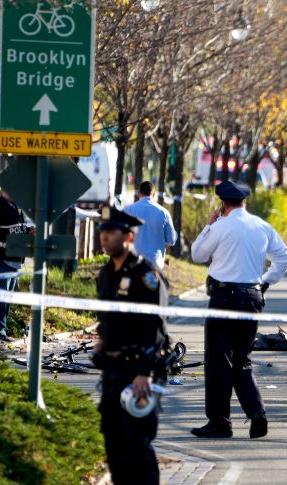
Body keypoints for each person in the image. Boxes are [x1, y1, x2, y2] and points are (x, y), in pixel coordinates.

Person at [190, 180, 287, 439]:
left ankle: (219, 422)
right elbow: (285, 259)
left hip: (224, 297)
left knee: (218, 361)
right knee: (242, 359)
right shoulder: (261, 226)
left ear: (222, 204)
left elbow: (197, 255)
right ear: (245, 201)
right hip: (251, 297)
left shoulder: (221, 225)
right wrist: (264, 283)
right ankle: (257, 412)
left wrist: (208, 226)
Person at [93, 206, 170, 485]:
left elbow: (155, 327)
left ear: (128, 236)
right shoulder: (105, 274)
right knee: (114, 446)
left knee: (137, 444)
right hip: (112, 371)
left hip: (139, 372)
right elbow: (108, 319)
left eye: (111, 232)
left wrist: (144, 372)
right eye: (103, 232)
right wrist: (102, 343)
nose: (104, 237)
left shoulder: (145, 273)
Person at [0, 190, 33, 343]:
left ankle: (1, 332)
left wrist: (28, 230)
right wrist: (8, 247)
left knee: (7, 299)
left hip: (14, 261)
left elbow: (17, 229)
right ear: (1, 190)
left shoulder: (16, 208)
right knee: (0, 299)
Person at [122, 181, 177, 270]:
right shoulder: (164, 213)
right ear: (154, 194)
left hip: (131, 263)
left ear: (139, 193)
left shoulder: (127, 210)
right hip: (155, 264)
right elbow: (172, 240)